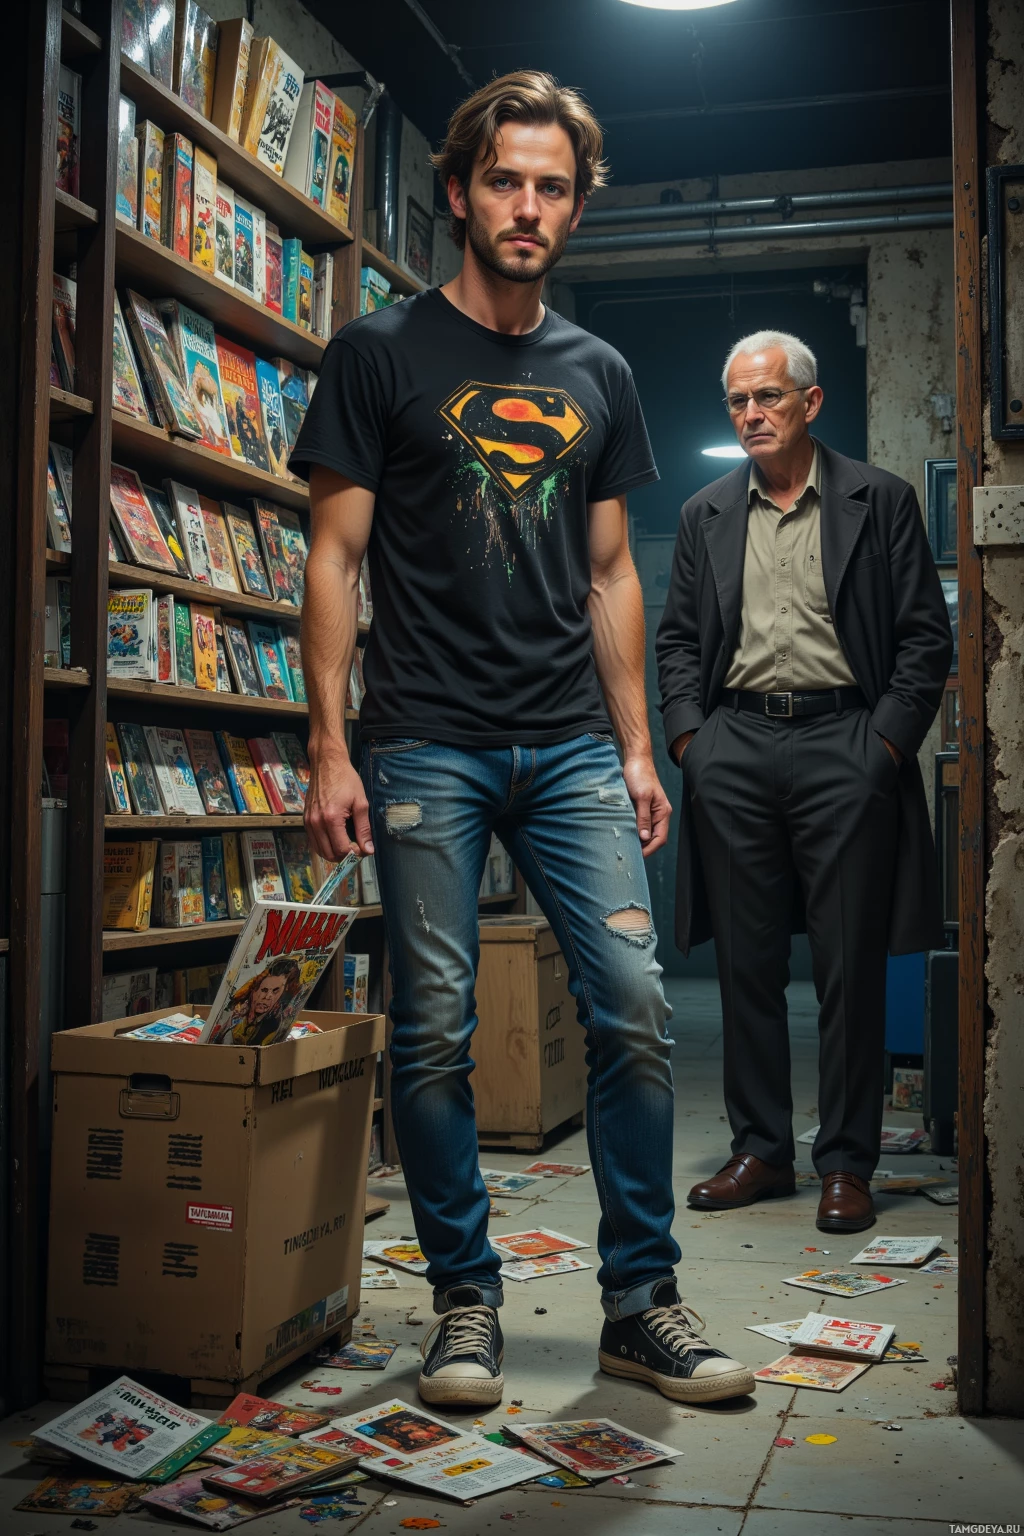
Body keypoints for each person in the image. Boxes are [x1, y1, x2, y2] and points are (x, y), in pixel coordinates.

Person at [291, 70, 756, 1409]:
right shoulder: (379, 352)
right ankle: (464, 1305)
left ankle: (639, 1305)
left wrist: (637, 748)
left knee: (633, 1013)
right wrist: (329, 747)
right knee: (432, 1027)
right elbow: (334, 555)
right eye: (506, 179)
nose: (529, 205)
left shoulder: (597, 370)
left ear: (575, 206)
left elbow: (614, 575)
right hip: (425, 737)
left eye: (554, 186)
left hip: (566, 745)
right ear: (458, 192)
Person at [656, 330, 953, 1235]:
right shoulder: (706, 512)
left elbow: (923, 642)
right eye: (738, 401)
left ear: (810, 403)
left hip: (844, 746)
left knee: (846, 966)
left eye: (768, 398)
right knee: (746, 964)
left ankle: (848, 1163)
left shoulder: (881, 500)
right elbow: (674, 642)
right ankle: (760, 1151)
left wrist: (883, 752)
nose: (751, 414)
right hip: (735, 746)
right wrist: (691, 745)